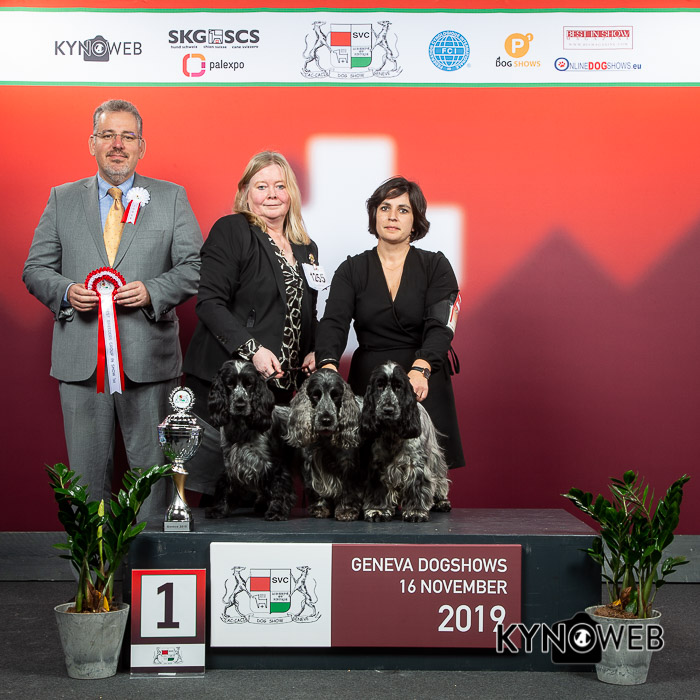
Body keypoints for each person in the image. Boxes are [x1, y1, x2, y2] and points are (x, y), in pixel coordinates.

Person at [23, 99, 202, 518]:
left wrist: (153, 291)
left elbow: (194, 267)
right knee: (84, 484)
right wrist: (66, 291)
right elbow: (35, 269)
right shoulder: (62, 199)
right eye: (108, 135)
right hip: (81, 364)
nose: (117, 144)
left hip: (150, 362)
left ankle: (152, 563)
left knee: (153, 481)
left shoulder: (172, 197)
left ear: (141, 146)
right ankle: (92, 565)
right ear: (92, 143)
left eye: (127, 136)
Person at [182, 152, 319, 494]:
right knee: (224, 495)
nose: (272, 194)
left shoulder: (306, 247)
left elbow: (306, 311)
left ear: (291, 193)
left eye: (280, 186)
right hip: (231, 387)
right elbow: (209, 303)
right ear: (245, 192)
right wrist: (253, 350)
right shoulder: (232, 231)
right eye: (261, 186)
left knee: (266, 494)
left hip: (276, 394)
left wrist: (315, 349)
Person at [315, 176, 464, 468]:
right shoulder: (351, 269)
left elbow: (441, 326)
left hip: (422, 378)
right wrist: (327, 365)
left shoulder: (436, 266)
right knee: (366, 476)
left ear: (415, 221)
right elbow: (334, 322)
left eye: (403, 209)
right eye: (385, 208)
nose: (392, 216)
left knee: (424, 482)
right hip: (370, 383)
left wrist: (421, 369)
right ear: (374, 215)